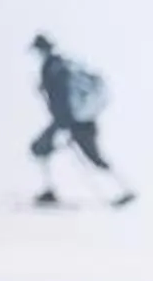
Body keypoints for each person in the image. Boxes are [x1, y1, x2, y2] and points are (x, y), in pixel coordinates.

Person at [27, 34, 132, 209]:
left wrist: (62, 124)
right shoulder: (63, 64)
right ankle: (122, 188)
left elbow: (61, 98)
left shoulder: (52, 68)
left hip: (69, 120)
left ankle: (123, 189)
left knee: (92, 157)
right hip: (79, 119)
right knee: (41, 148)